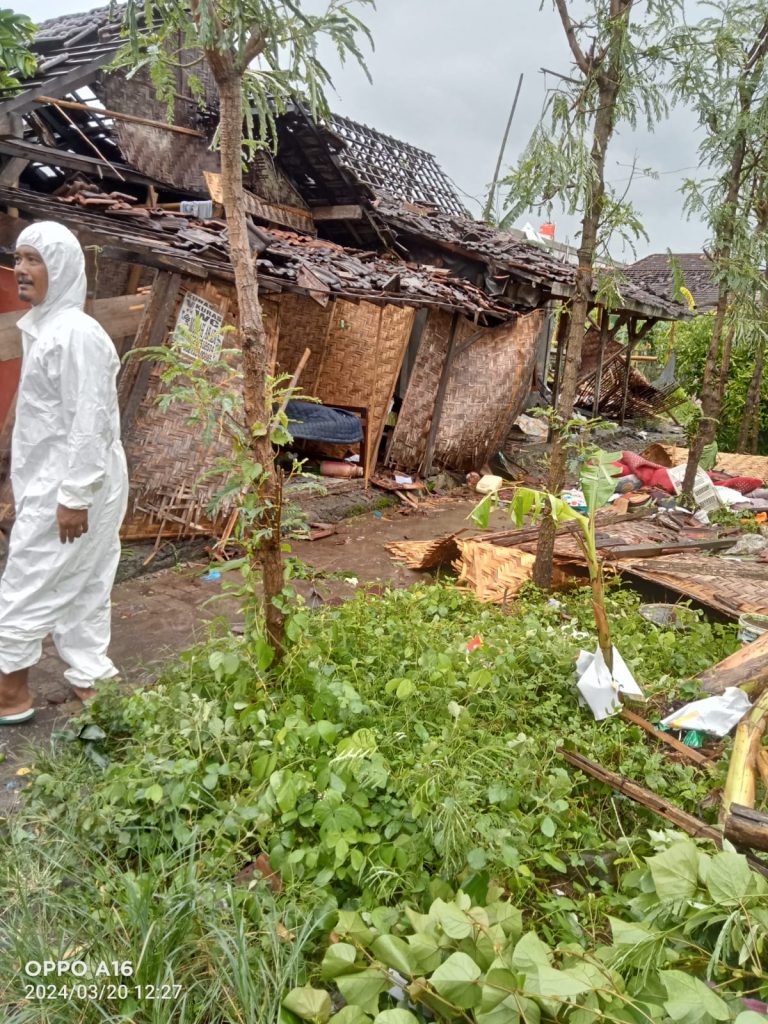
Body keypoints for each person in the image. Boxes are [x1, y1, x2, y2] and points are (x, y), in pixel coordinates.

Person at [0, 221, 128, 725]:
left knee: (28, 580)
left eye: (35, 260)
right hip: (67, 481)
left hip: (74, 484)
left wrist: (74, 496)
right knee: (83, 579)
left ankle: (10, 695)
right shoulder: (48, 328)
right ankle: (89, 679)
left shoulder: (74, 334)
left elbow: (89, 419)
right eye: (19, 257)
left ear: (64, 268)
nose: (21, 269)